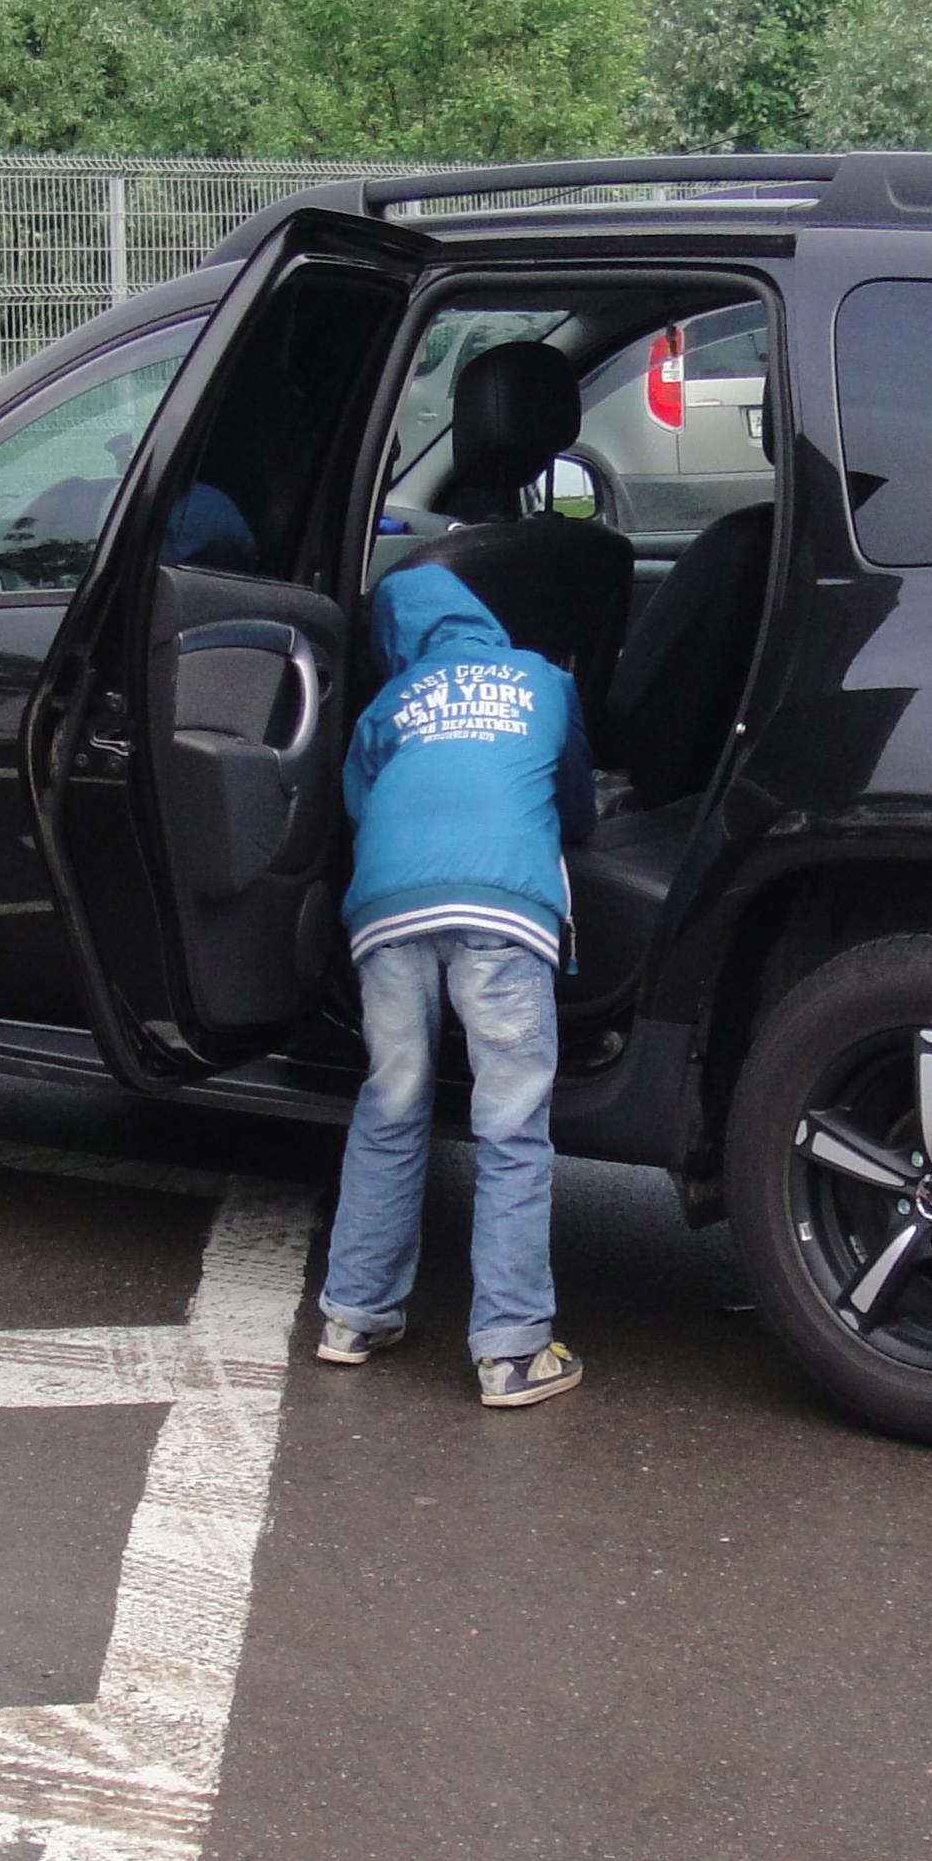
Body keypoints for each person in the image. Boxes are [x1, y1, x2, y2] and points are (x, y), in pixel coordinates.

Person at [312, 565, 596, 1407]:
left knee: (391, 1102)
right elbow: (576, 801)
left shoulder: (386, 703)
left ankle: (354, 1315)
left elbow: (359, 807)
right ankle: (512, 1351)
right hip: (501, 911)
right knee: (509, 1122)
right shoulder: (542, 680)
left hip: (387, 913)